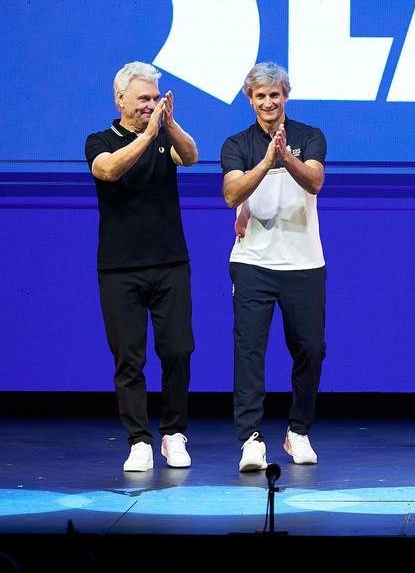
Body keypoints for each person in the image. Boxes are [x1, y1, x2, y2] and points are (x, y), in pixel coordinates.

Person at [86, 61, 199, 471]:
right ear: (120, 99)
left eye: (155, 99)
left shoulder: (164, 135)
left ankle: (173, 434)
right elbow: (109, 170)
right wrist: (148, 135)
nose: (150, 106)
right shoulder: (100, 140)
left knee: (178, 351)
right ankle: (139, 440)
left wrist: (168, 127)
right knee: (128, 358)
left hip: (170, 263)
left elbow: (190, 156)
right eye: (143, 100)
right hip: (119, 269)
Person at [220, 62, 327, 472]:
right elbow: (231, 194)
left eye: (275, 94)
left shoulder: (309, 137)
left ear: (286, 96)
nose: (268, 102)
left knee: (311, 350)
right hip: (253, 263)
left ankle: (297, 431)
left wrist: (286, 156)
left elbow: (315, 181)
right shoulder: (237, 144)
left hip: (304, 261)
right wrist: (266, 162)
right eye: (260, 96)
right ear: (250, 100)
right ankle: (250, 439)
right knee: (249, 350)